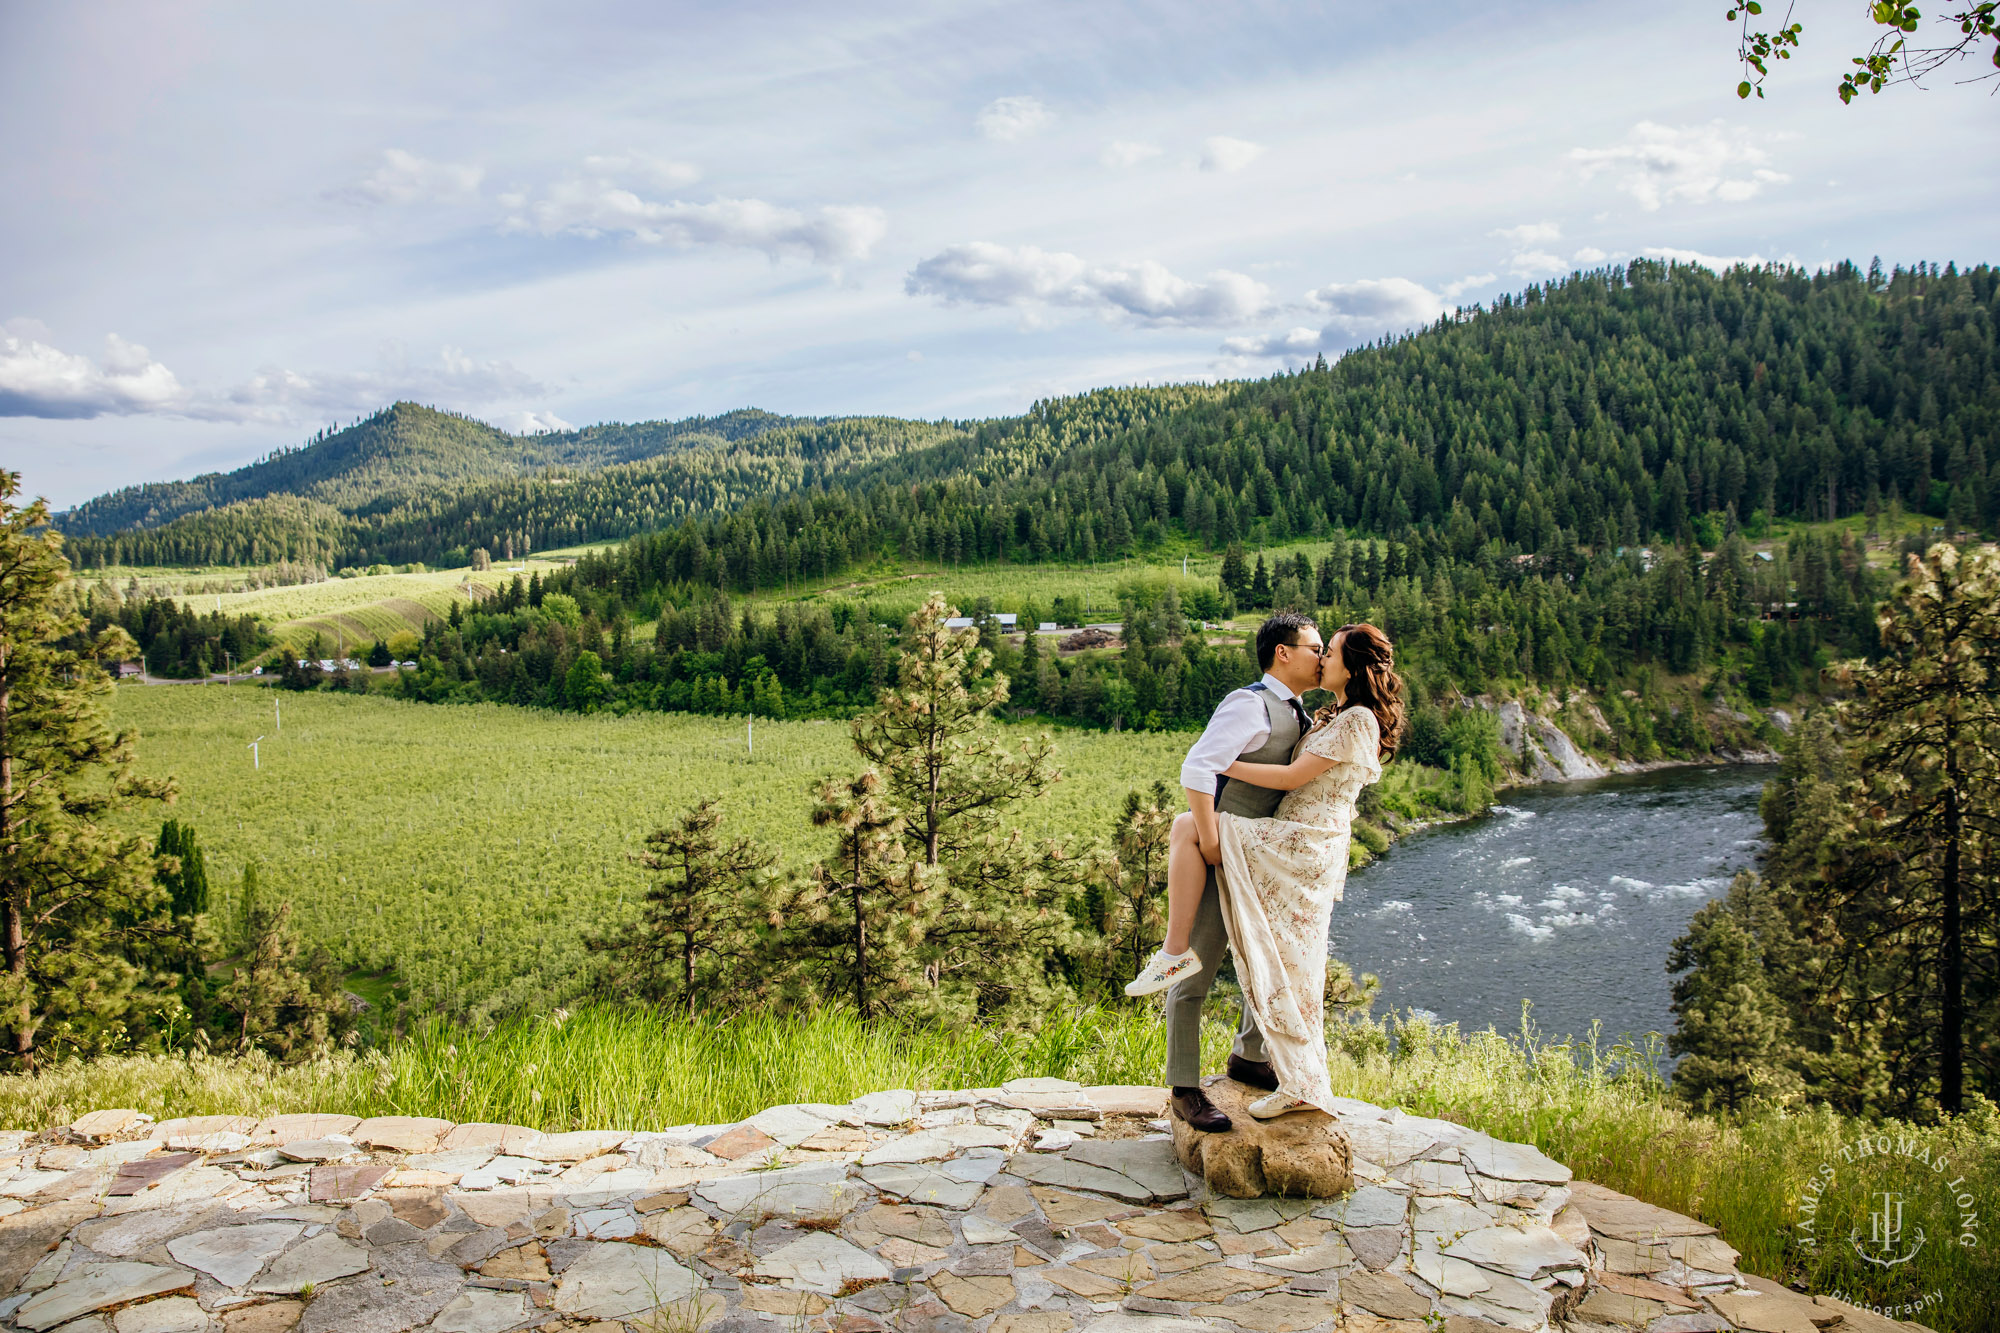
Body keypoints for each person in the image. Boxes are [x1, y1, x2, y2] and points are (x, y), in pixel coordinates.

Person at [1126, 612, 1327, 1134]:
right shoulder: (1249, 704)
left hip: (1266, 858)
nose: (1321, 657)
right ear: (1283, 652)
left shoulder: (1302, 711)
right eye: (1314, 647)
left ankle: (1249, 1057)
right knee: (1195, 967)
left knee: (1270, 964)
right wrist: (1211, 842)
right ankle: (1185, 1088)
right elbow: (1197, 767)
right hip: (1229, 855)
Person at [1211, 623, 1403, 1119]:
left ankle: (1300, 1083)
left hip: (1304, 845)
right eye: (1318, 651)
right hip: (1294, 839)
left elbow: (1293, 777)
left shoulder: (1359, 719)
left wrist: (1222, 763)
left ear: (1353, 666)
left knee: (1195, 825)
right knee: (1287, 956)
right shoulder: (1337, 714)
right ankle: (1287, 1071)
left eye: (1329, 653)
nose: (1321, 660)